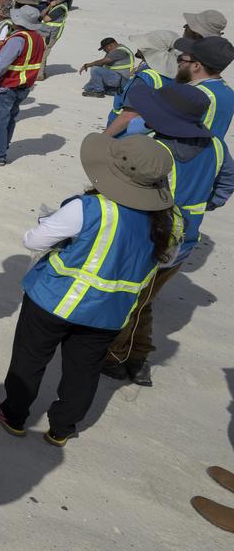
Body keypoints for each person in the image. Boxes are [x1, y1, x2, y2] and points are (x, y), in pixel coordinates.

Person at [0, 133, 180, 446]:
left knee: (30, 358)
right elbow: (164, 260)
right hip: (108, 314)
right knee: (83, 372)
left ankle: (15, 415)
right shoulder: (167, 223)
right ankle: (62, 429)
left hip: (52, 302)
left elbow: (33, 240)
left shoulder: (89, 208)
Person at [102, 84, 234, 385]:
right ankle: (137, 356)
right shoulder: (216, 146)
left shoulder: (155, 150)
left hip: (148, 238)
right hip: (184, 241)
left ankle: (119, 356)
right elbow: (226, 185)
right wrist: (201, 205)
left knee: (130, 298)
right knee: (145, 298)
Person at [0, 4, 46, 166]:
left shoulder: (18, 39)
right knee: (10, 120)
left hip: (6, 86)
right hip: (24, 87)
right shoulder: (38, 38)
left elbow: (2, 64)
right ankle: (2, 148)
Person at [106, 30, 179, 133]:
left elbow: (128, 116)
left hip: (126, 136)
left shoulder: (146, 77)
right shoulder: (176, 72)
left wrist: (105, 136)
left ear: (150, 51)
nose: (139, 47)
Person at [175, 35, 234, 139]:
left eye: (181, 59)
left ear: (196, 66)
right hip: (212, 153)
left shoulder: (195, 95)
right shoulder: (228, 91)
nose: (178, 63)